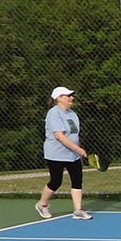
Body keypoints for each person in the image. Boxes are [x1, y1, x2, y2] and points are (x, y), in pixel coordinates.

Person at [38, 85, 92, 221]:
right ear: (59, 98)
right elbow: (59, 136)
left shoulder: (72, 114)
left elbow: (75, 135)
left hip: (72, 154)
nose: (71, 98)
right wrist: (79, 150)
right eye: (68, 96)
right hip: (55, 153)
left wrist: (78, 151)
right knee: (56, 181)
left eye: (71, 95)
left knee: (77, 180)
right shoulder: (53, 113)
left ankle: (78, 210)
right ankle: (42, 204)